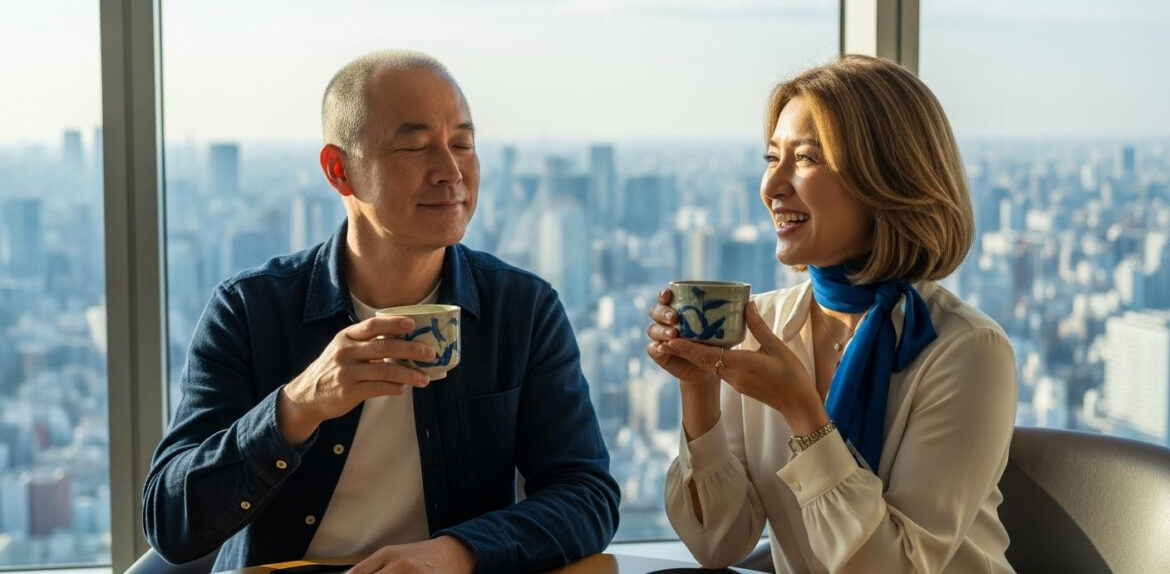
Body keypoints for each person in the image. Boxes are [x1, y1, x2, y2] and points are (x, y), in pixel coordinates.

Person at [144, 50, 619, 573]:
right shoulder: (249, 310)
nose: (451, 171)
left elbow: (586, 495)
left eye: (463, 144)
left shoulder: (522, 310)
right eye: (416, 147)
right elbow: (171, 522)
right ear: (339, 170)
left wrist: (459, 552)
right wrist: (296, 408)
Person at [646, 55, 1017, 573]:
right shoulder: (762, 327)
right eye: (771, 157)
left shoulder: (965, 351)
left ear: (887, 178)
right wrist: (700, 388)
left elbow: (898, 567)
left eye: (805, 159)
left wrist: (802, 412)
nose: (772, 186)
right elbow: (719, 543)